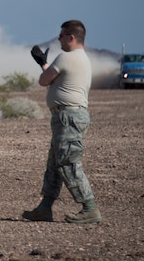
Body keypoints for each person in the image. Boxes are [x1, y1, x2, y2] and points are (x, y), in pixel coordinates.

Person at [23, 19, 102, 224]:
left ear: (71, 37)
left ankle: (89, 208)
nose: (58, 38)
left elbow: (44, 80)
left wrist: (42, 63)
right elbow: (55, 80)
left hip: (68, 117)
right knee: (55, 163)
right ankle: (45, 207)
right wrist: (47, 66)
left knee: (67, 162)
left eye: (61, 35)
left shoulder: (66, 58)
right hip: (68, 117)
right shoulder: (81, 59)